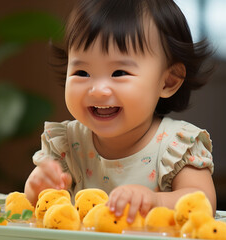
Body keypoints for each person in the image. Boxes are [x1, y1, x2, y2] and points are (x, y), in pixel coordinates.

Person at [25, 0, 216, 223]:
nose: (97, 90)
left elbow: (204, 202)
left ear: (167, 81)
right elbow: (31, 209)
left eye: (118, 72)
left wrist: (156, 202)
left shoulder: (175, 145)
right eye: (82, 72)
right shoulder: (67, 144)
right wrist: (38, 186)